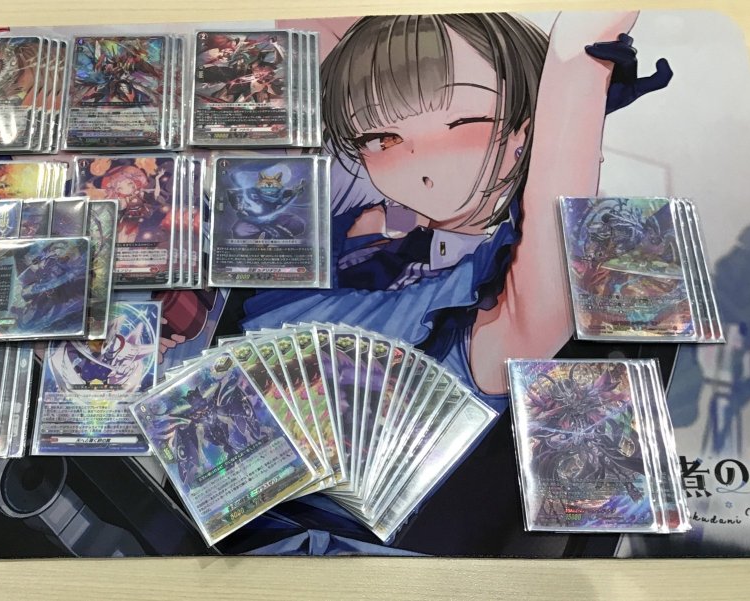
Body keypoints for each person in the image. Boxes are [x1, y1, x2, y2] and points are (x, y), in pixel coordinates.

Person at [242, 12, 672, 409]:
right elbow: (307, 25)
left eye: (462, 125)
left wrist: (576, 86)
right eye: (382, 139)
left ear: (528, 132)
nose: (417, 166)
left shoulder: (486, 318)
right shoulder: (372, 209)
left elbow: (540, 288)